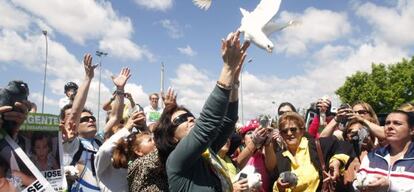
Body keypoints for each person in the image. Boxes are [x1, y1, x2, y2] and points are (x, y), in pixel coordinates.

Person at [153, 31, 249, 192]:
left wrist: (234, 81)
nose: (190, 119)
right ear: (171, 138)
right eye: (181, 119)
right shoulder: (176, 161)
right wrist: (227, 68)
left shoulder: (206, 154)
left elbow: (228, 121)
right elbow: (206, 126)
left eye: (190, 116)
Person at [270, 112, 354, 192]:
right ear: (281, 135)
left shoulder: (316, 145)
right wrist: (279, 186)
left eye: (293, 129)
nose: (289, 133)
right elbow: (273, 185)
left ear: (302, 130)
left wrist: (336, 161)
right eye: (284, 131)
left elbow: (344, 146)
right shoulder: (279, 157)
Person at [354, 110, 414, 192]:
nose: (390, 127)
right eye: (387, 123)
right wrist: (360, 184)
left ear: (412, 130)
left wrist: (390, 186)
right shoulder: (372, 156)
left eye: (397, 123)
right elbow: (357, 183)